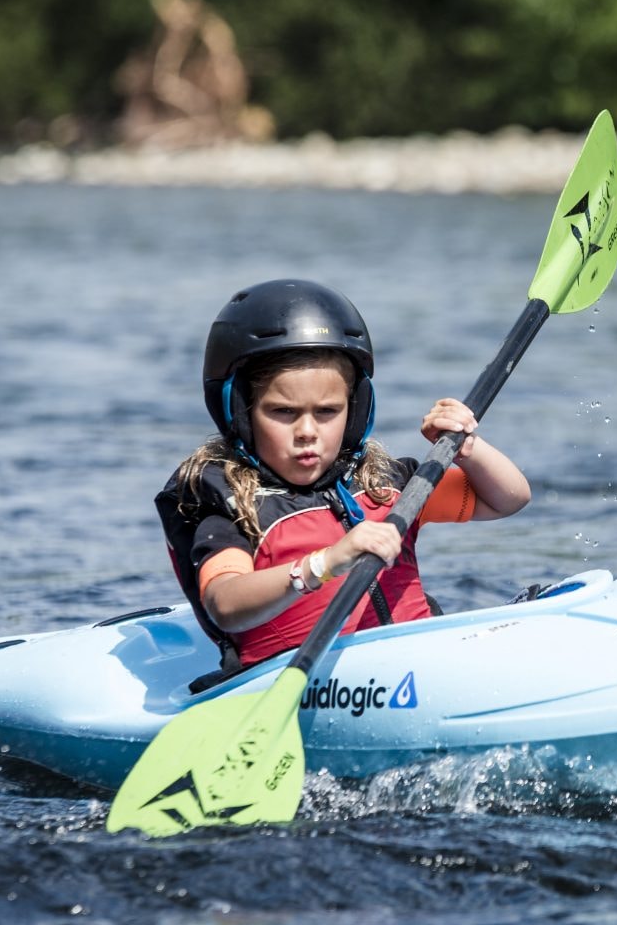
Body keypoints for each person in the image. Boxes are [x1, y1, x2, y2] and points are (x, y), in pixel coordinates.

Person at [156, 279, 530, 681]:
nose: (307, 432)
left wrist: (469, 449)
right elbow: (226, 604)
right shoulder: (233, 504)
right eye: (283, 412)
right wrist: (324, 563)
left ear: (354, 411)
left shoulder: (384, 485)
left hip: (414, 663)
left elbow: (508, 499)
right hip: (303, 682)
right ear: (241, 413)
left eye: (327, 412)